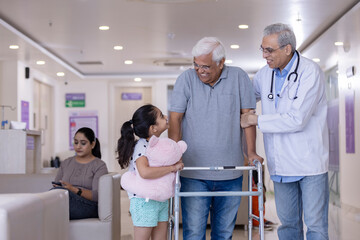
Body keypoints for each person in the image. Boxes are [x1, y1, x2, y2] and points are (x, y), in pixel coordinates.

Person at [241, 23, 329, 240]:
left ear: (287, 49)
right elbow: (246, 102)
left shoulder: (310, 72)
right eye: (262, 49)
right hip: (281, 163)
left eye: (269, 50)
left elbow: (297, 120)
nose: (264, 55)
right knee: (288, 226)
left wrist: (254, 119)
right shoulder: (264, 75)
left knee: (316, 226)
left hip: (310, 163)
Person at [168, 37, 263, 239]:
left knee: (224, 233)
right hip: (194, 173)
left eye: (206, 66)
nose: (200, 70)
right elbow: (175, 118)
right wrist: (174, 154)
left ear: (221, 63)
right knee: (193, 233)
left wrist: (251, 152)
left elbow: (247, 119)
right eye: (196, 64)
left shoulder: (239, 77)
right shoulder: (186, 79)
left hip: (231, 174)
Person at [117, 104, 184, 240]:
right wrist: (172, 168)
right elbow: (145, 172)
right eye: (161, 116)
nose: (166, 117)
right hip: (144, 201)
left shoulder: (159, 144)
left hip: (160, 199)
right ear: (153, 128)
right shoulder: (142, 146)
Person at [53, 127, 108, 220]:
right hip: (66, 201)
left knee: (55, 204)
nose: (78, 146)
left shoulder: (99, 165)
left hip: (89, 205)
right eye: (76, 142)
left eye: (83, 143)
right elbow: (56, 186)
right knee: (52, 197)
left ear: (92, 144)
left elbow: (97, 196)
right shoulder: (66, 163)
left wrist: (74, 190)